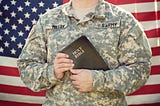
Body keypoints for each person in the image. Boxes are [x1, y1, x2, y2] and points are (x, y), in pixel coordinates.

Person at [17, 0, 152, 105]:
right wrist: (53, 71)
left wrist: (97, 80)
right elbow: (26, 67)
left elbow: (140, 69)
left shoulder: (123, 20)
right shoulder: (48, 20)